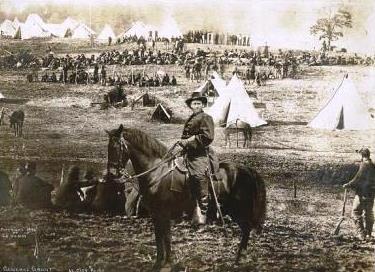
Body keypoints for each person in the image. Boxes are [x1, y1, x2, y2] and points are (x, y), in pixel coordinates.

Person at [179, 92, 218, 225]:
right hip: (187, 153)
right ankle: (186, 209)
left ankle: (204, 211)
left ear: (202, 105)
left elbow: (208, 136)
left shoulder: (206, 117)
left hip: (199, 154)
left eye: (198, 103)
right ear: (190, 105)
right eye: (193, 103)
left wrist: (191, 140)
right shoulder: (191, 118)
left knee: (198, 177)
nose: (196, 105)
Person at [343, 148, 375, 241]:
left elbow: (358, 179)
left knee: (356, 212)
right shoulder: (373, 165)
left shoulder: (364, 165)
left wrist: (348, 185)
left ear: (362, 155)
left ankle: (361, 234)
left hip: (362, 193)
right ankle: (368, 234)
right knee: (369, 213)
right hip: (371, 193)